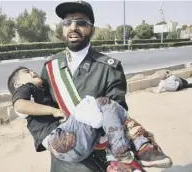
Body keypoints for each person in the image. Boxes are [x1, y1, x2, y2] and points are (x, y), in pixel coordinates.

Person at [14, 1, 172, 171]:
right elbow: (41, 109)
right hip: (63, 160)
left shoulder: (109, 67)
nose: (73, 27)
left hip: (96, 161)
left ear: (92, 30)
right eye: (67, 22)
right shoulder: (50, 67)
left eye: (81, 22)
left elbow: (116, 116)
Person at [7, 66, 146, 171]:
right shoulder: (25, 89)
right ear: (18, 85)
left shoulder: (42, 93)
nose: (32, 72)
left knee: (108, 109)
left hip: (74, 148)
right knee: (100, 104)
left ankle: (120, 157)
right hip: (58, 140)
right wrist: (54, 111)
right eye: (26, 72)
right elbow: (19, 106)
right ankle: (130, 150)